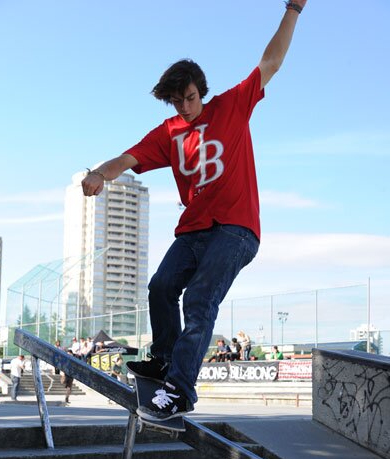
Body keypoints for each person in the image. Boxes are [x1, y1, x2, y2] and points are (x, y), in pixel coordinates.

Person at [82, 1, 307, 422]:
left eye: (189, 98)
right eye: (176, 102)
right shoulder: (169, 133)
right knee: (160, 287)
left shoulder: (233, 105)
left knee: (201, 298)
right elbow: (128, 159)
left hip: (237, 229)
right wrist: (99, 173)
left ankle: (181, 390)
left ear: (201, 91)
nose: (185, 108)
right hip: (193, 230)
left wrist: (293, 8)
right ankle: (165, 360)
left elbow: (271, 61)